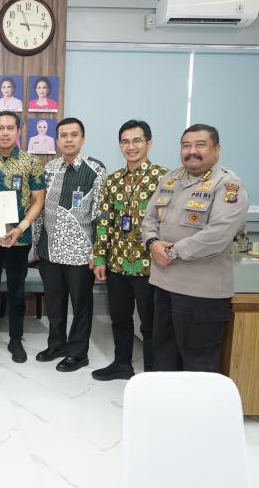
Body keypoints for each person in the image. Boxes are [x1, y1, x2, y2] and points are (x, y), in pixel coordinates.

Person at [141, 124, 249, 373]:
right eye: (186, 145)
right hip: (163, 285)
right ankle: (166, 398)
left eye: (200, 145)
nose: (192, 151)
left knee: (198, 363)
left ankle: (197, 402)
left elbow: (218, 234)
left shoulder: (228, 185)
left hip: (201, 293)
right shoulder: (171, 178)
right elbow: (149, 218)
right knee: (164, 354)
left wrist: (172, 252)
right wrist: (152, 243)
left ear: (216, 149)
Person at [90, 120, 168, 381]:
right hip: (117, 263)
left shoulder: (164, 178)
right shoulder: (113, 180)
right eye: (125, 142)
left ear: (149, 143)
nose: (131, 146)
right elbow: (104, 220)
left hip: (151, 266)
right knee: (120, 319)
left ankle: (153, 374)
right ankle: (122, 364)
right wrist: (99, 256)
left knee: (150, 324)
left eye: (137, 141)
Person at [0, 111, 45, 363]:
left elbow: (38, 200)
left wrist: (22, 227)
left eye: (10, 128)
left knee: (17, 291)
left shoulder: (31, 162)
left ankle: (15, 339)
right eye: (0, 128)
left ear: (18, 131)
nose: (5, 132)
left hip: (19, 237)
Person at [34, 117, 106, 372]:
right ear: (57, 140)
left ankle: (78, 353)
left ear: (82, 139)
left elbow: (101, 214)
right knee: (54, 303)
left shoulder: (95, 169)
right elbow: (40, 209)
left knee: (81, 305)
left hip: (79, 251)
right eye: (63, 135)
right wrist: (37, 243)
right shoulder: (49, 168)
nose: (68, 140)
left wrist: (98, 253)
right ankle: (57, 345)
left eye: (73, 135)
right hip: (49, 249)